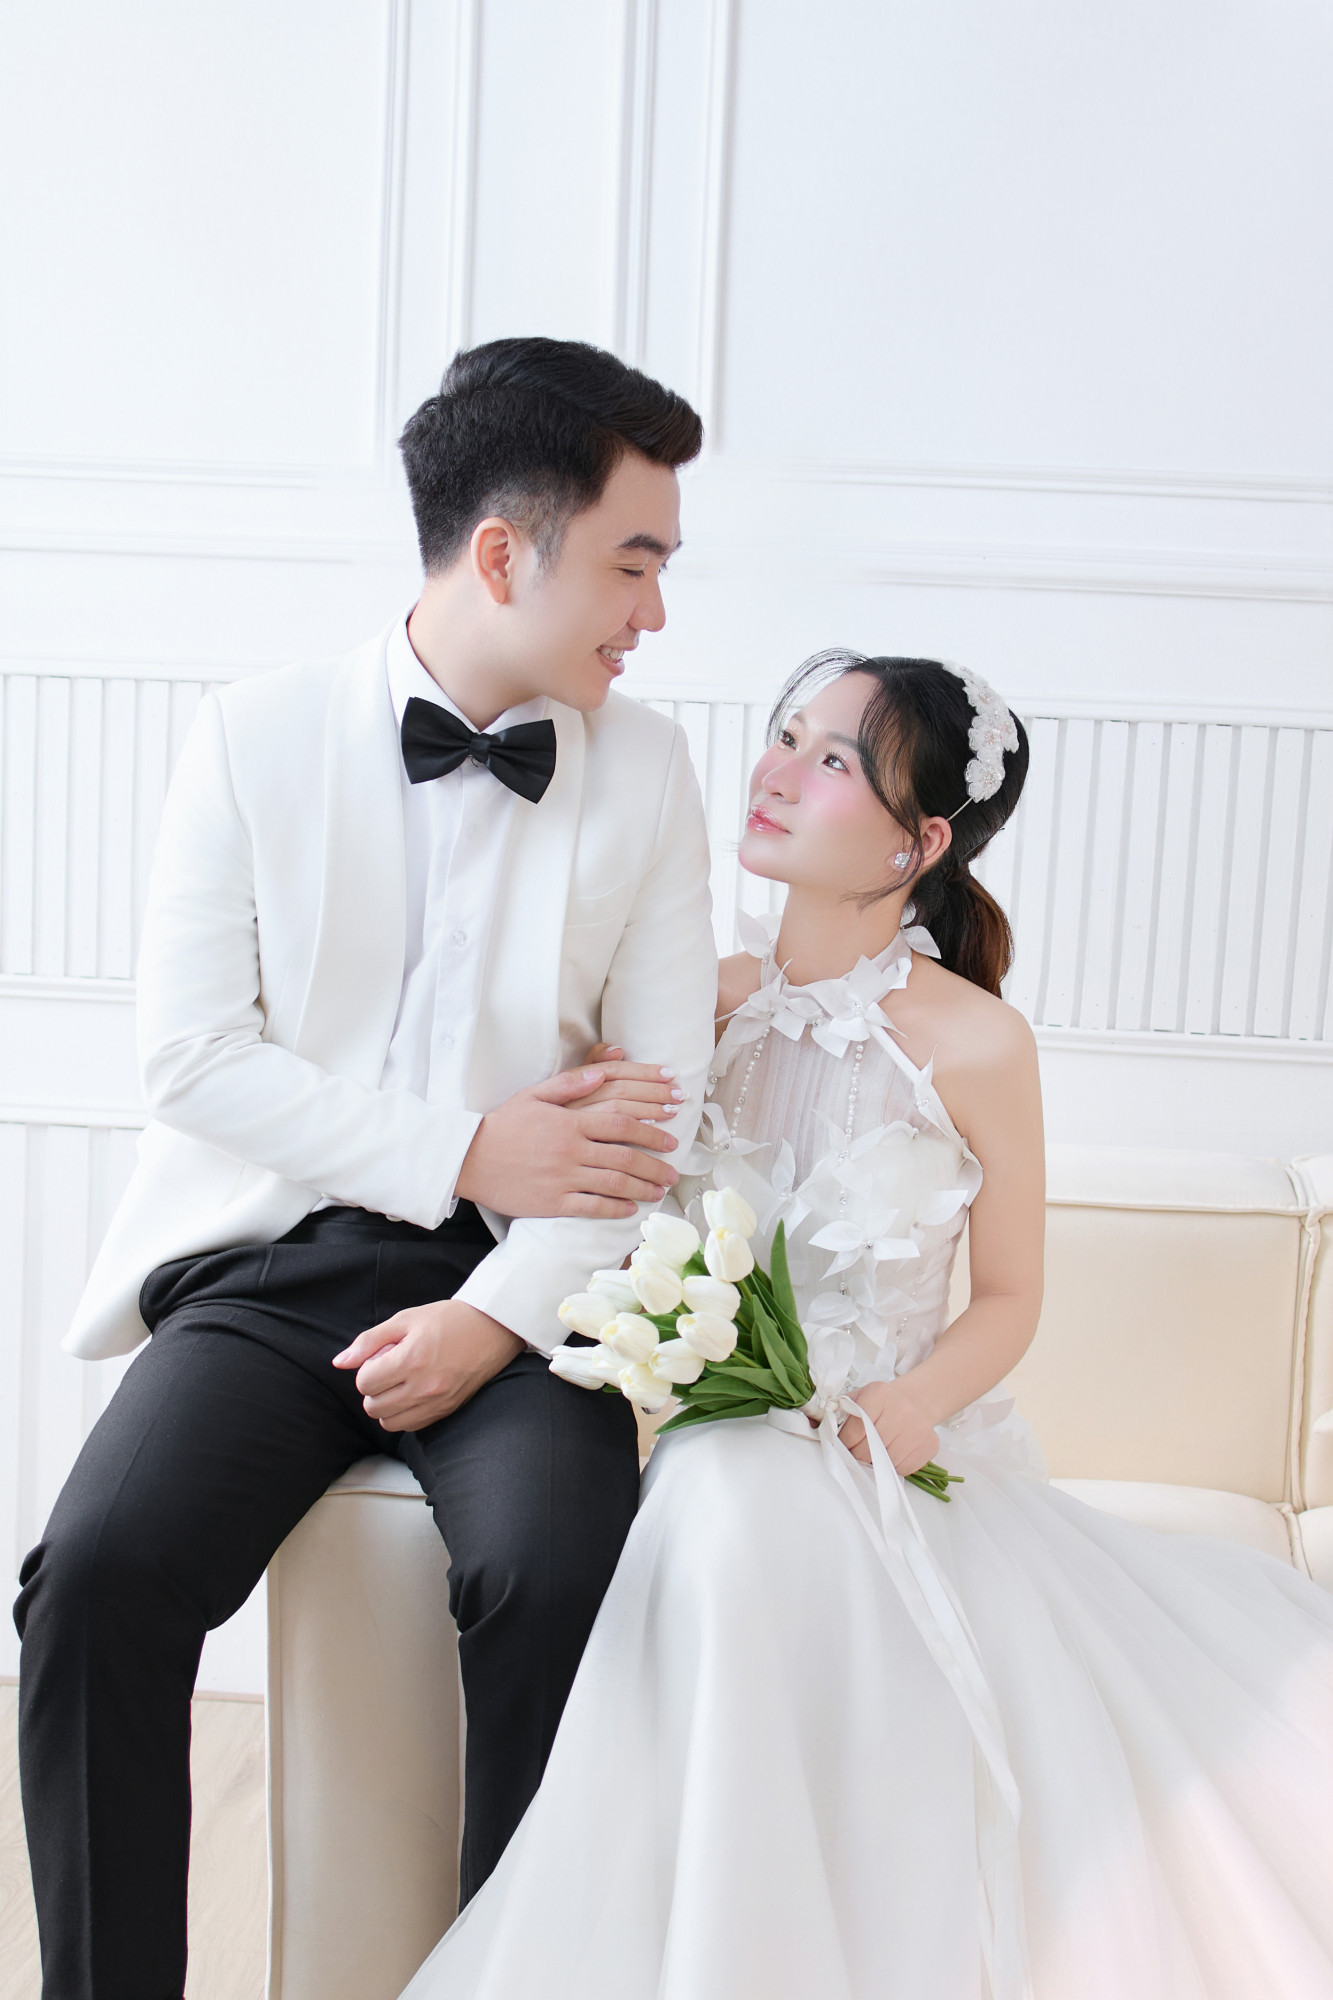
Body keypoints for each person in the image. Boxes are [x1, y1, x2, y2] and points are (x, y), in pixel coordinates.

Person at [397, 649, 1333, 2000]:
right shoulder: (692, 1002)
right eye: (784, 736)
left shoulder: (977, 1043)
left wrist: (911, 1404)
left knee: (740, 1506)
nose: (777, 772)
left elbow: (1009, 1298)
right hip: (709, 1433)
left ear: (918, 842)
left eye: (832, 759)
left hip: (883, 1451)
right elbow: (591, 1204)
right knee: (723, 1490)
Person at [14, 336, 719, 2000]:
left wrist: (493, 1315)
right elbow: (195, 1060)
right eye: (634, 562)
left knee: (558, 1575)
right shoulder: (250, 736)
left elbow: (656, 1119)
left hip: (526, 1288)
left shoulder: (648, 772)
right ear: (504, 552)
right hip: (274, 1271)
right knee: (95, 1581)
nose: (654, 613)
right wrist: (465, 1141)